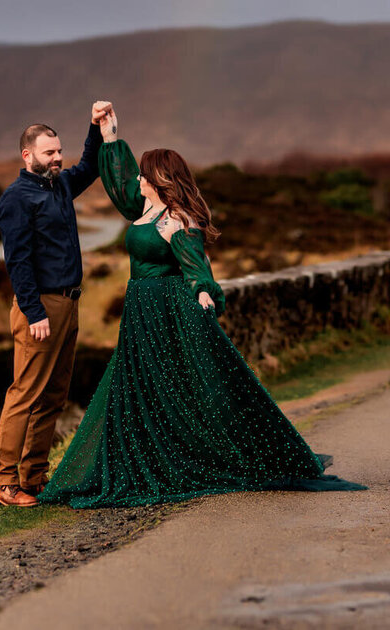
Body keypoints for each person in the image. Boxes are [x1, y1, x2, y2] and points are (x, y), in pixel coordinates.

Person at [38, 106, 365, 508]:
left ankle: (202, 455)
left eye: (145, 174)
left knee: (194, 392)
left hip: (169, 312)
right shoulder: (144, 208)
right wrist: (110, 138)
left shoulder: (178, 218)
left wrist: (203, 291)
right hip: (141, 314)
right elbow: (122, 184)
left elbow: (195, 264)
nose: (138, 178)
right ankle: (151, 451)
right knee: (143, 390)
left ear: (158, 181)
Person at [0, 103, 112, 508]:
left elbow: (91, 165)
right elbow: (18, 260)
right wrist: (34, 311)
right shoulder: (16, 199)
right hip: (40, 308)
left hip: (69, 304)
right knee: (25, 393)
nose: (58, 158)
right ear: (27, 155)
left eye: (59, 151)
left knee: (54, 395)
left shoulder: (58, 185)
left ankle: (35, 476)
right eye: (49, 153)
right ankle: (4, 482)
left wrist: (95, 127)